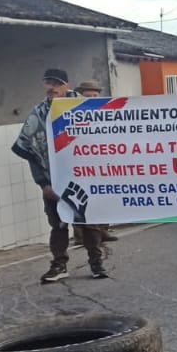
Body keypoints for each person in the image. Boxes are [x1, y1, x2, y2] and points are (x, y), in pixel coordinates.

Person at [11, 68, 107, 282]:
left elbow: (105, 138)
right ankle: (59, 265)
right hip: (53, 181)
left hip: (84, 178)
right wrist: (43, 184)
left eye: (57, 83)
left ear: (66, 85)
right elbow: (30, 150)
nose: (52, 87)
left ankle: (96, 262)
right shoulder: (39, 113)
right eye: (48, 83)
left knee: (89, 222)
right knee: (58, 224)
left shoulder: (84, 106)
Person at [69, 80, 119, 246]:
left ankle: (103, 229)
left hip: (100, 164)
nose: (91, 98)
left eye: (95, 95)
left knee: (102, 196)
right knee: (79, 200)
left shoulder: (104, 113)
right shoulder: (71, 115)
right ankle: (80, 235)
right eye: (87, 96)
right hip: (78, 165)